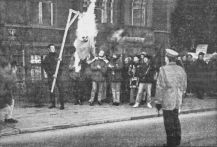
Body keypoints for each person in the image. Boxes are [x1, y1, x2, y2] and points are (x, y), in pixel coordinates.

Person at [155, 49, 187, 147]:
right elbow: (184, 86)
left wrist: (158, 101)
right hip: (178, 100)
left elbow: (160, 87)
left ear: (167, 58)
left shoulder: (163, 69)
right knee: (176, 119)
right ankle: (177, 141)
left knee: (168, 122)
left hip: (167, 99)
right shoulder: (181, 69)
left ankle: (171, 143)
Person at [42, 44, 65, 110]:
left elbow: (62, 65)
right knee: (51, 90)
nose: (53, 49)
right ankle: (53, 104)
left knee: (60, 89)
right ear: (49, 49)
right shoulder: (47, 58)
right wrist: (52, 74)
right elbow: (45, 68)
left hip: (58, 76)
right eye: (52, 48)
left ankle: (62, 104)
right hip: (51, 76)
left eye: (54, 48)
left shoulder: (58, 56)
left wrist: (61, 61)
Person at [0, 58, 18, 123]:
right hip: (1, 95)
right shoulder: (2, 73)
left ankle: (8, 118)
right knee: (6, 108)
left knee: (11, 100)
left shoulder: (5, 72)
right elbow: (8, 80)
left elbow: (11, 83)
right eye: (9, 66)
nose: (10, 67)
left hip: (3, 94)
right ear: (4, 67)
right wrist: (13, 72)